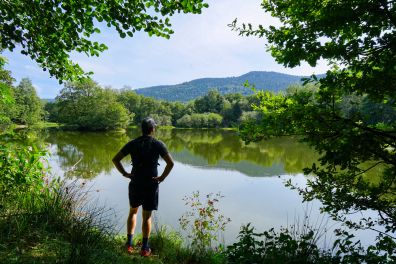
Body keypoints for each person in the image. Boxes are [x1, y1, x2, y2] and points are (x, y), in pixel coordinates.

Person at [112, 117, 174, 257]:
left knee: (133, 212)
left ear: (142, 129)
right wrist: (162, 178)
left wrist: (125, 173)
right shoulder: (158, 144)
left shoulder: (133, 143)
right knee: (147, 216)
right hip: (151, 184)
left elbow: (115, 159)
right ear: (153, 129)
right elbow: (170, 163)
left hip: (135, 182)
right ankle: (145, 248)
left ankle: (129, 244)